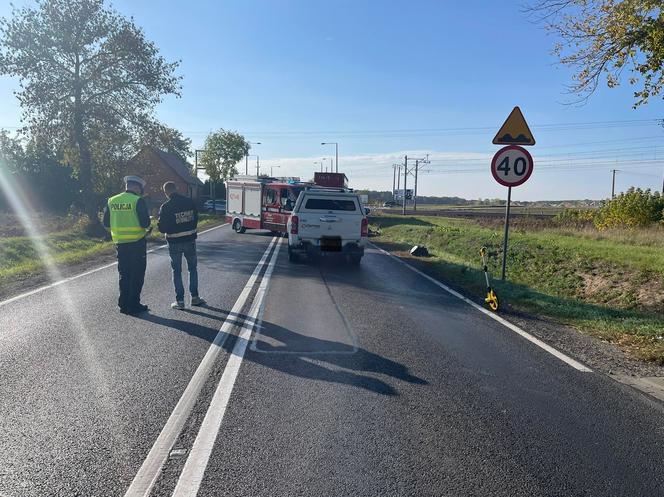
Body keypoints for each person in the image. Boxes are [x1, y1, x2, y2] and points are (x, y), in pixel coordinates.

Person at [103, 175, 151, 315]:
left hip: (120, 244)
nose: (140, 192)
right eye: (140, 189)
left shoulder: (112, 200)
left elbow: (106, 223)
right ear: (137, 187)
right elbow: (145, 223)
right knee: (137, 275)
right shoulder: (137, 201)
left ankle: (123, 304)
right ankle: (134, 305)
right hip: (137, 244)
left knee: (124, 274)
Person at [157, 181, 206, 309]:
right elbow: (196, 218)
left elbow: (161, 228)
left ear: (166, 192)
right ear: (176, 188)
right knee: (192, 269)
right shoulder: (189, 202)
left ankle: (180, 302)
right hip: (190, 240)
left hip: (174, 242)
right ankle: (195, 297)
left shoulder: (165, 206)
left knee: (177, 271)